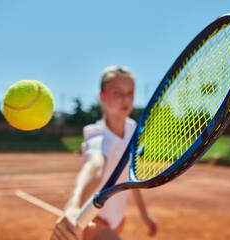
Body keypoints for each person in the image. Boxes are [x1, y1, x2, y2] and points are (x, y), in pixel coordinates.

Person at [50, 65, 157, 240]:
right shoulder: (97, 134)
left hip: (118, 217)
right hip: (93, 218)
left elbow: (131, 177)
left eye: (130, 92)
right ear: (102, 97)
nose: (126, 98)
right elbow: (94, 167)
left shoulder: (133, 130)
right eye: (117, 92)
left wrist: (144, 214)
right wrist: (72, 206)